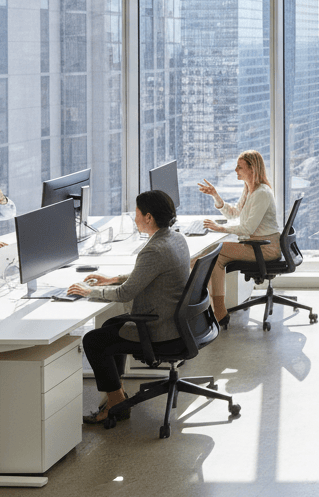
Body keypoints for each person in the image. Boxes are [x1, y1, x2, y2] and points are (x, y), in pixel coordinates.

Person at [72, 190, 191, 425]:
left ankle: (116, 403)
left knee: (93, 341)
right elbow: (149, 273)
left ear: (148, 217)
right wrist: (113, 278)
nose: (134, 218)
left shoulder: (154, 249)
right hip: (181, 324)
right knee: (110, 325)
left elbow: (125, 294)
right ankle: (118, 395)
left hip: (161, 330)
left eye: (136, 213)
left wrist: (89, 291)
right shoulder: (176, 238)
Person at [197, 150, 281, 327]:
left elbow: (248, 228)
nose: (235, 170)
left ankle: (217, 309)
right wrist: (215, 196)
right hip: (256, 244)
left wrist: (220, 228)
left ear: (252, 169)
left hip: (265, 248)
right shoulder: (249, 188)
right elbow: (234, 213)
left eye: (239, 167)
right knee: (214, 257)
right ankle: (218, 310)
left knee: (214, 254)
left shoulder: (261, 193)